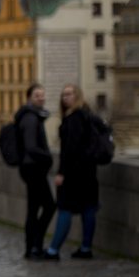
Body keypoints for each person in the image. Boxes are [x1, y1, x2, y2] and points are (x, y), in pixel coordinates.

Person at [43, 84, 99, 260]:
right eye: (63, 94)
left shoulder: (73, 118)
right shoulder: (87, 115)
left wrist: (61, 173)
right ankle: (86, 248)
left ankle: (53, 250)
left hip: (74, 173)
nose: (65, 97)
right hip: (89, 171)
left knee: (64, 208)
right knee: (89, 209)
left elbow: (70, 150)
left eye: (69, 94)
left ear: (77, 96)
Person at [14, 83, 55, 260]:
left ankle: (32, 247)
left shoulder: (32, 116)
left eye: (43, 95)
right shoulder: (30, 118)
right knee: (48, 206)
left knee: (34, 208)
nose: (41, 98)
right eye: (37, 95)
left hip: (30, 167)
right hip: (33, 168)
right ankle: (34, 246)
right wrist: (48, 157)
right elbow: (31, 146)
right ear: (29, 97)